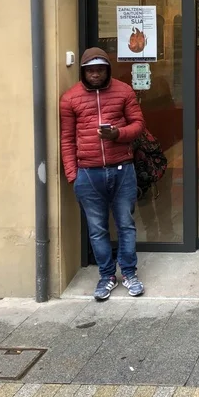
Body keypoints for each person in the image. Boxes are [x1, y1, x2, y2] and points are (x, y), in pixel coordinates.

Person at [60, 47, 147, 301]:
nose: (95, 74)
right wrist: (73, 175)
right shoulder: (70, 98)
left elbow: (138, 125)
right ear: (83, 72)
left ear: (108, 70)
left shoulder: (124, 91)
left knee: (126, 225)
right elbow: (67, 139)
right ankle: (107, 276)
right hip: (88, 173)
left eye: (100, 70)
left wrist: (117, 134)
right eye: (90, 70)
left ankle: (129, 273)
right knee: (97, 229)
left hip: (122, 169)